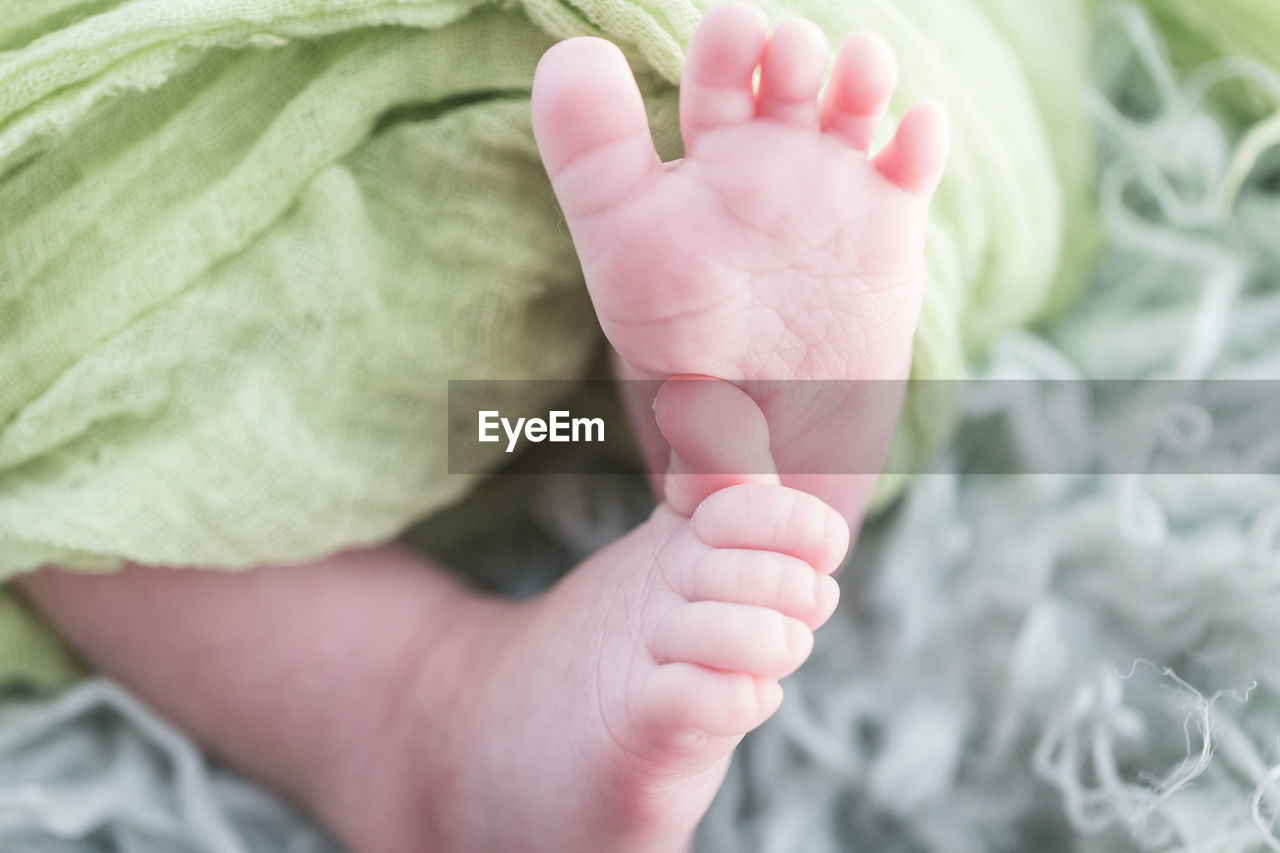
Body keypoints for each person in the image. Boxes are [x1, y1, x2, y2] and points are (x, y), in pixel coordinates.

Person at [16, 5, 950, 851]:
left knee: (75, 460)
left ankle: (437, 713)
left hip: (135, 278)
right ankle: (727, 461)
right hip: (569, 276)